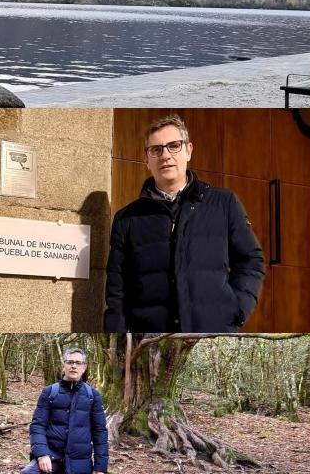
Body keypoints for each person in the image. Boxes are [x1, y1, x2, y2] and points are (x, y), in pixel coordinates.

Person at [104, 114, 265, 333]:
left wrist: (236, 309)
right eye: (156, 149)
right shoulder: (127, 219)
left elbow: (251, 260)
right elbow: (117, 289)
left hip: (211, 331)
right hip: (151, 336)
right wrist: (118, 337)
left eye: (174, 146)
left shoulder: (224, 204)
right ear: (147, 160)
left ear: (189, 150)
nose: (165, 155)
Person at [7, 348, 108, 474]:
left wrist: (100, 465)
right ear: (63, 365)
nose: (73, 366)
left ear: (84, 367)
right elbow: (37, 426)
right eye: (70, 362)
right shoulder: (49, 393)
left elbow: (100, 431)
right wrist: (41, 453)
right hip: (51, 456)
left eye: (78, 363)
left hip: (79, 460)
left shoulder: (92, 396)